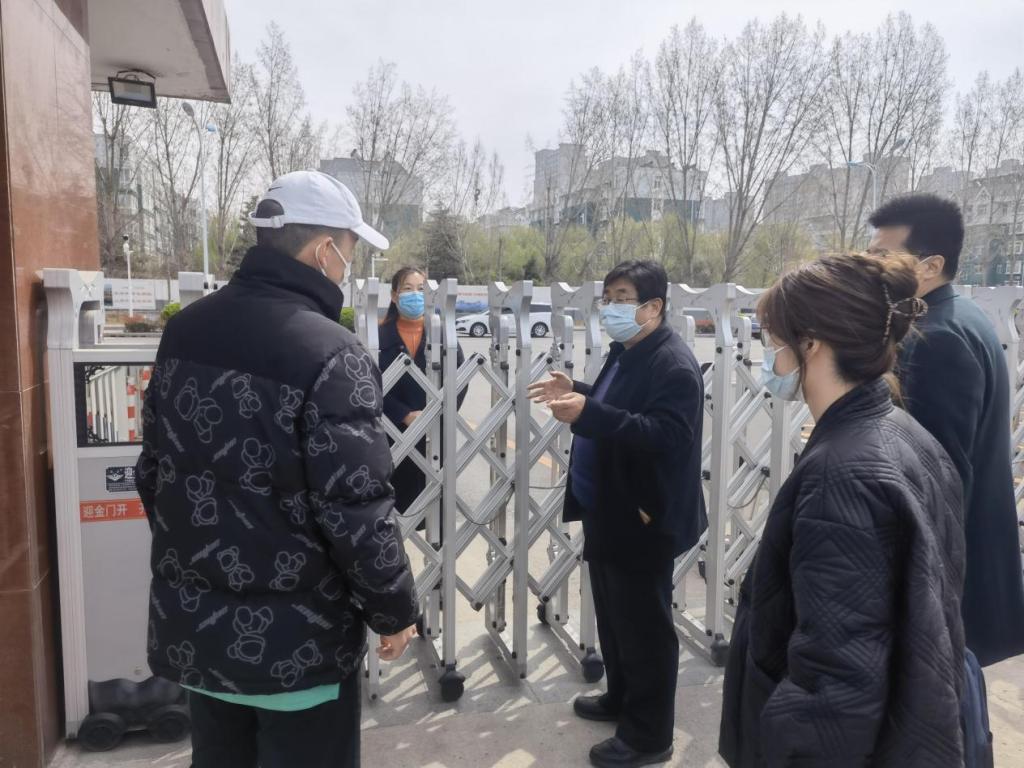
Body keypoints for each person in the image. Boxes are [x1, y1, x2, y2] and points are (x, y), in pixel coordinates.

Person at [136, 171, 418, 768]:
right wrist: (393, 611)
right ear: (324, 249)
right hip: (298, 650)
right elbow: (356, 509)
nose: (349, 265)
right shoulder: (331, 353)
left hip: (202, 633)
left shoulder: (184, 331)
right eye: (350, 248)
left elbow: (154, 473)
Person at [719, 253, 966, 767]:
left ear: (811, 342)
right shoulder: (905, 432)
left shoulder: (843, 474)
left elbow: (835, 687)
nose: (769, 355)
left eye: (773, 339)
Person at [530, 260, 706, 768]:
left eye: (623, 299)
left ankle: (649, 736)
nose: (611, 308)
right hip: (607, 506)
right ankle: (622, 697)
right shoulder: (627, 352)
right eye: (607, 298)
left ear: (654, 307)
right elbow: (620, 406)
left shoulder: (673, 365)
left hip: (643, 516)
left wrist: (589, 412)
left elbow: (665, 435)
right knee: (614, 614)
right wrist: (580, 391)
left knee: (645, 627)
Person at [869, 193, 1024, 668]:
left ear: (930, 265)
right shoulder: (959, 316)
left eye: (883, 257)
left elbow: (935, 482)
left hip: (947, 585)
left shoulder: (937, 339)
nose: (872, 269)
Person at [378, 266, 466, 522]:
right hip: (391, 434)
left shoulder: (443, 335)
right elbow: (368, 384)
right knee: (394, 511)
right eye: (408, 289)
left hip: (434, 435)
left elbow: (460, 380)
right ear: (394, 296)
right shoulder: (379, 336)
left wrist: (436, 415)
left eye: (421, 289)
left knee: (435, 510)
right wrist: (403, 414)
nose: (415, 295)